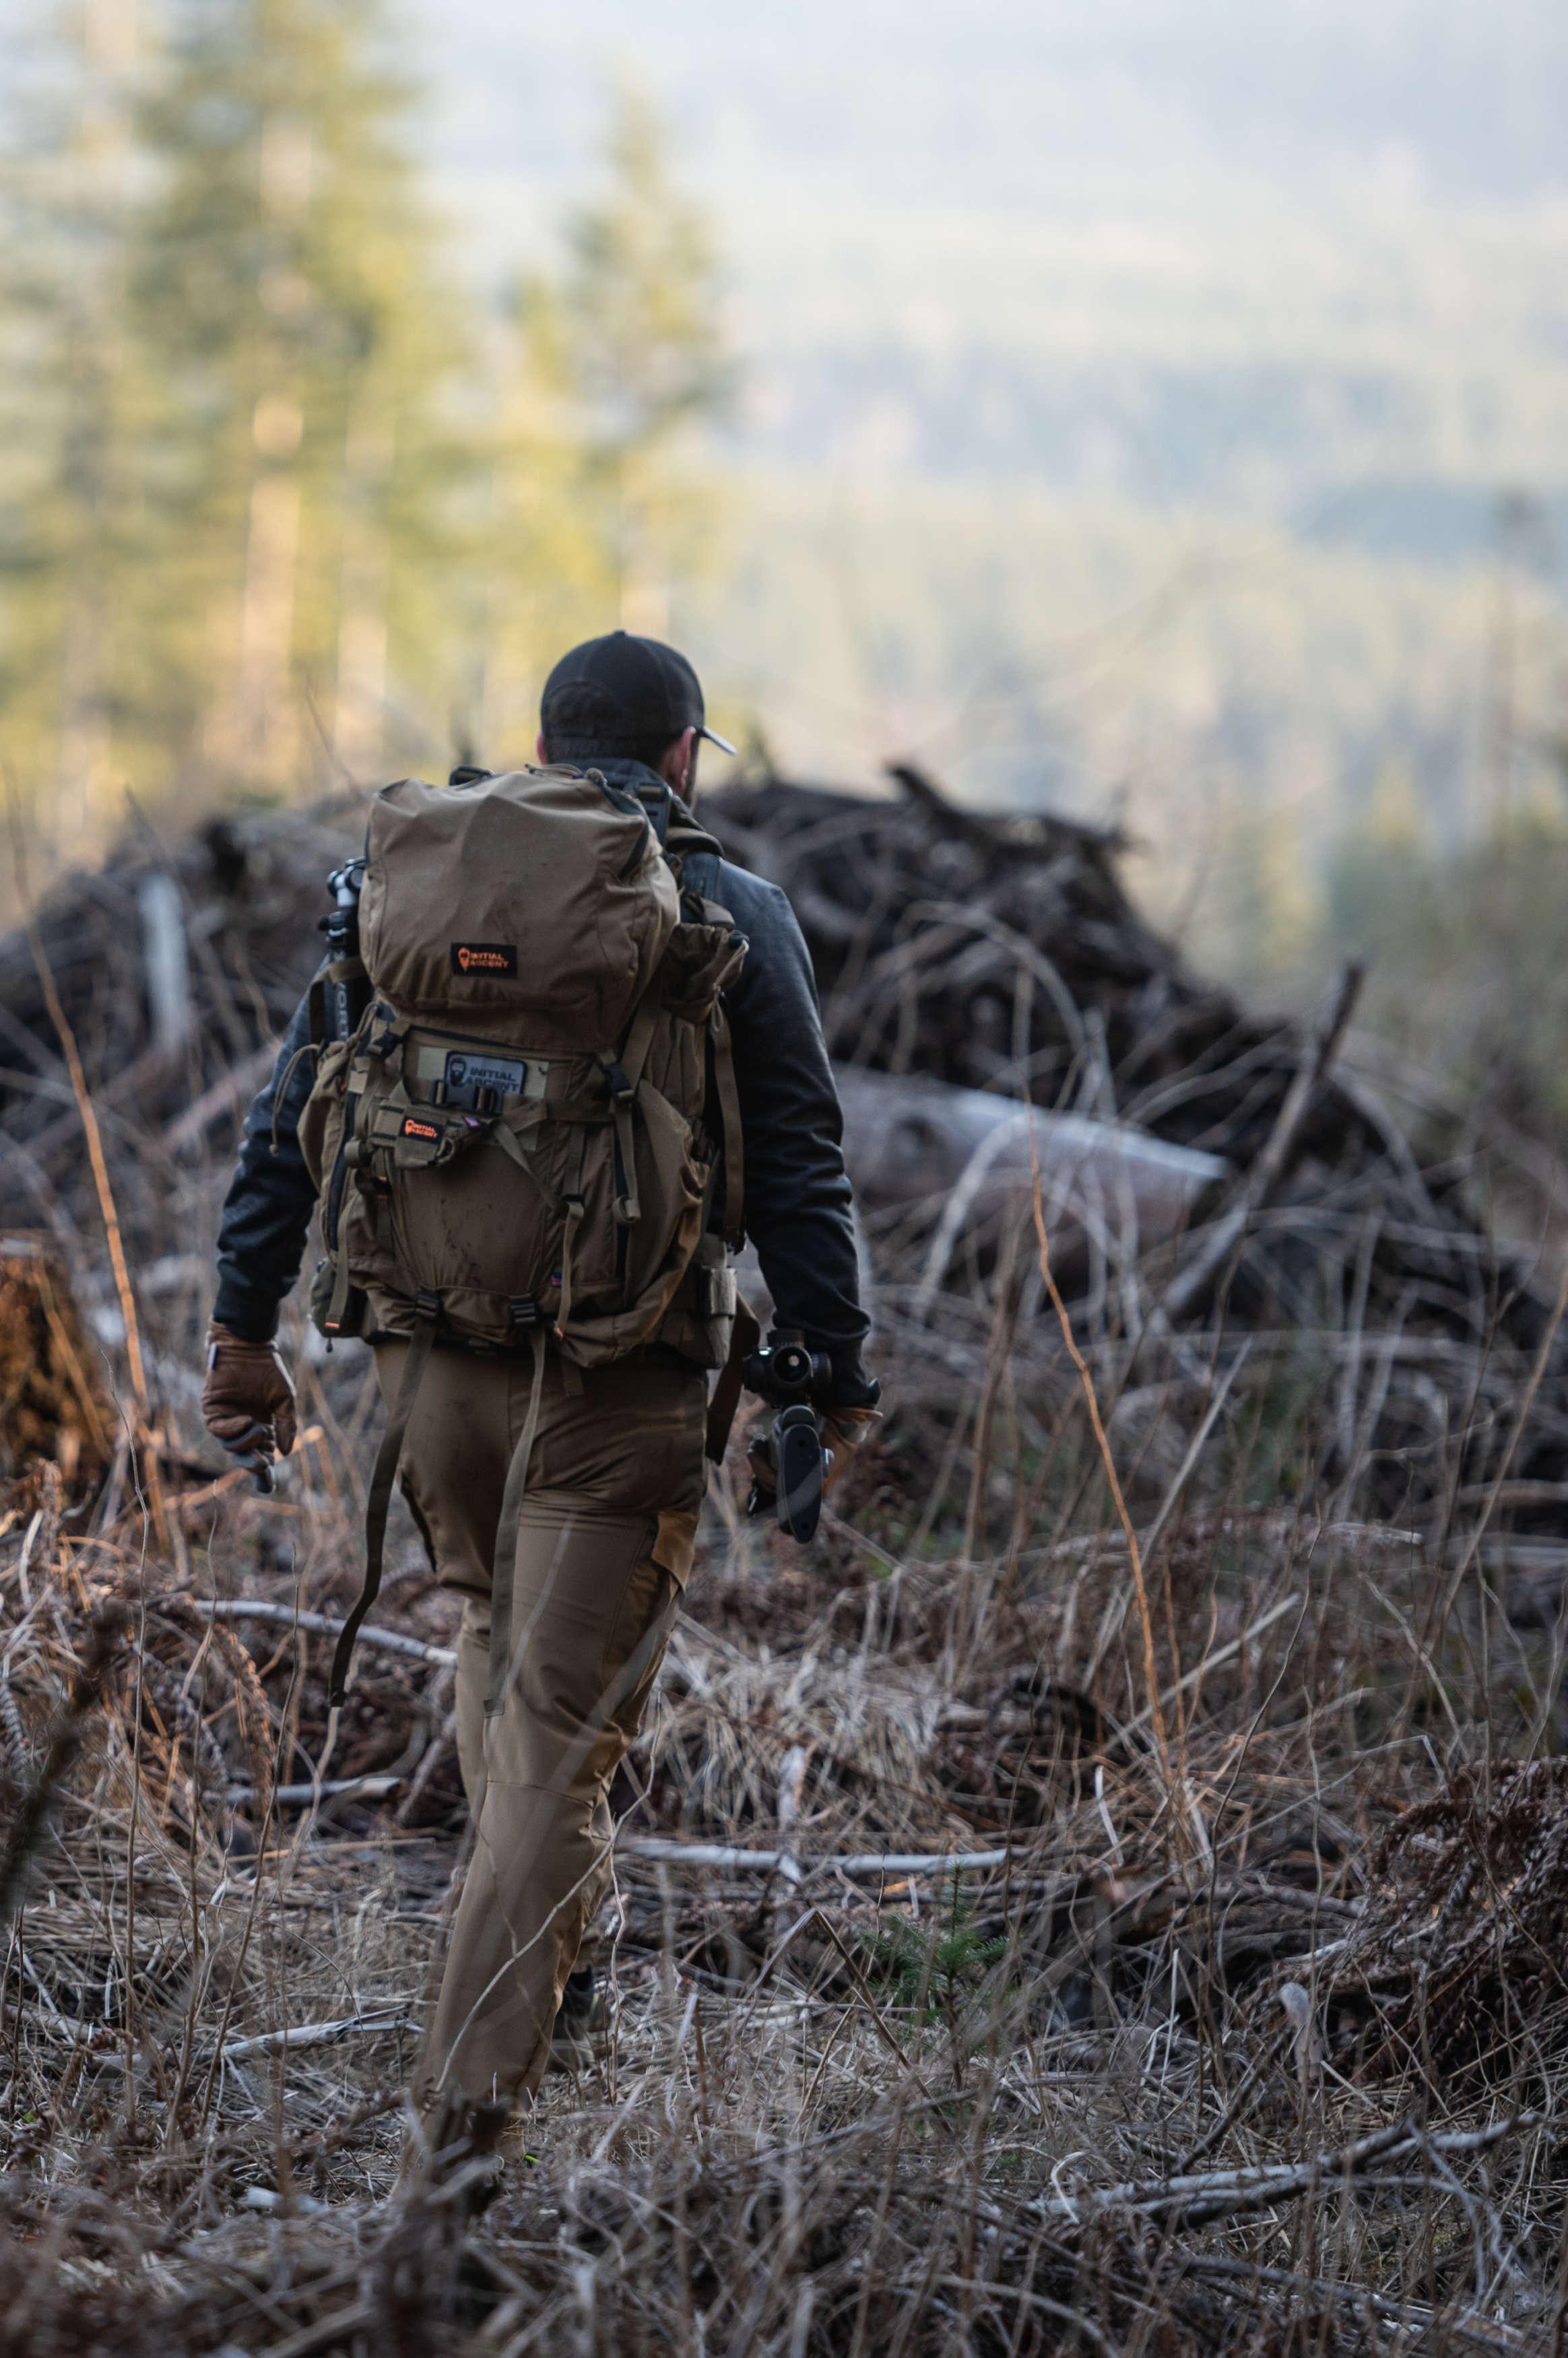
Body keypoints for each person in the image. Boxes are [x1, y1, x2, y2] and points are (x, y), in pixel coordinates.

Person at [201, 629, 877, 2120]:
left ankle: (541, 1988)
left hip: (427, 1372)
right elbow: (802, 1169)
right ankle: (460, 2133)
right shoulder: (729, 906)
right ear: (686, 756)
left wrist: (240, 1333)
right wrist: (828, 1378)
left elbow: (290, 1112)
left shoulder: (421, 879)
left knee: (507, 1668)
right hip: (618, 1389)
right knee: (558, 1751)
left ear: (551, 743)